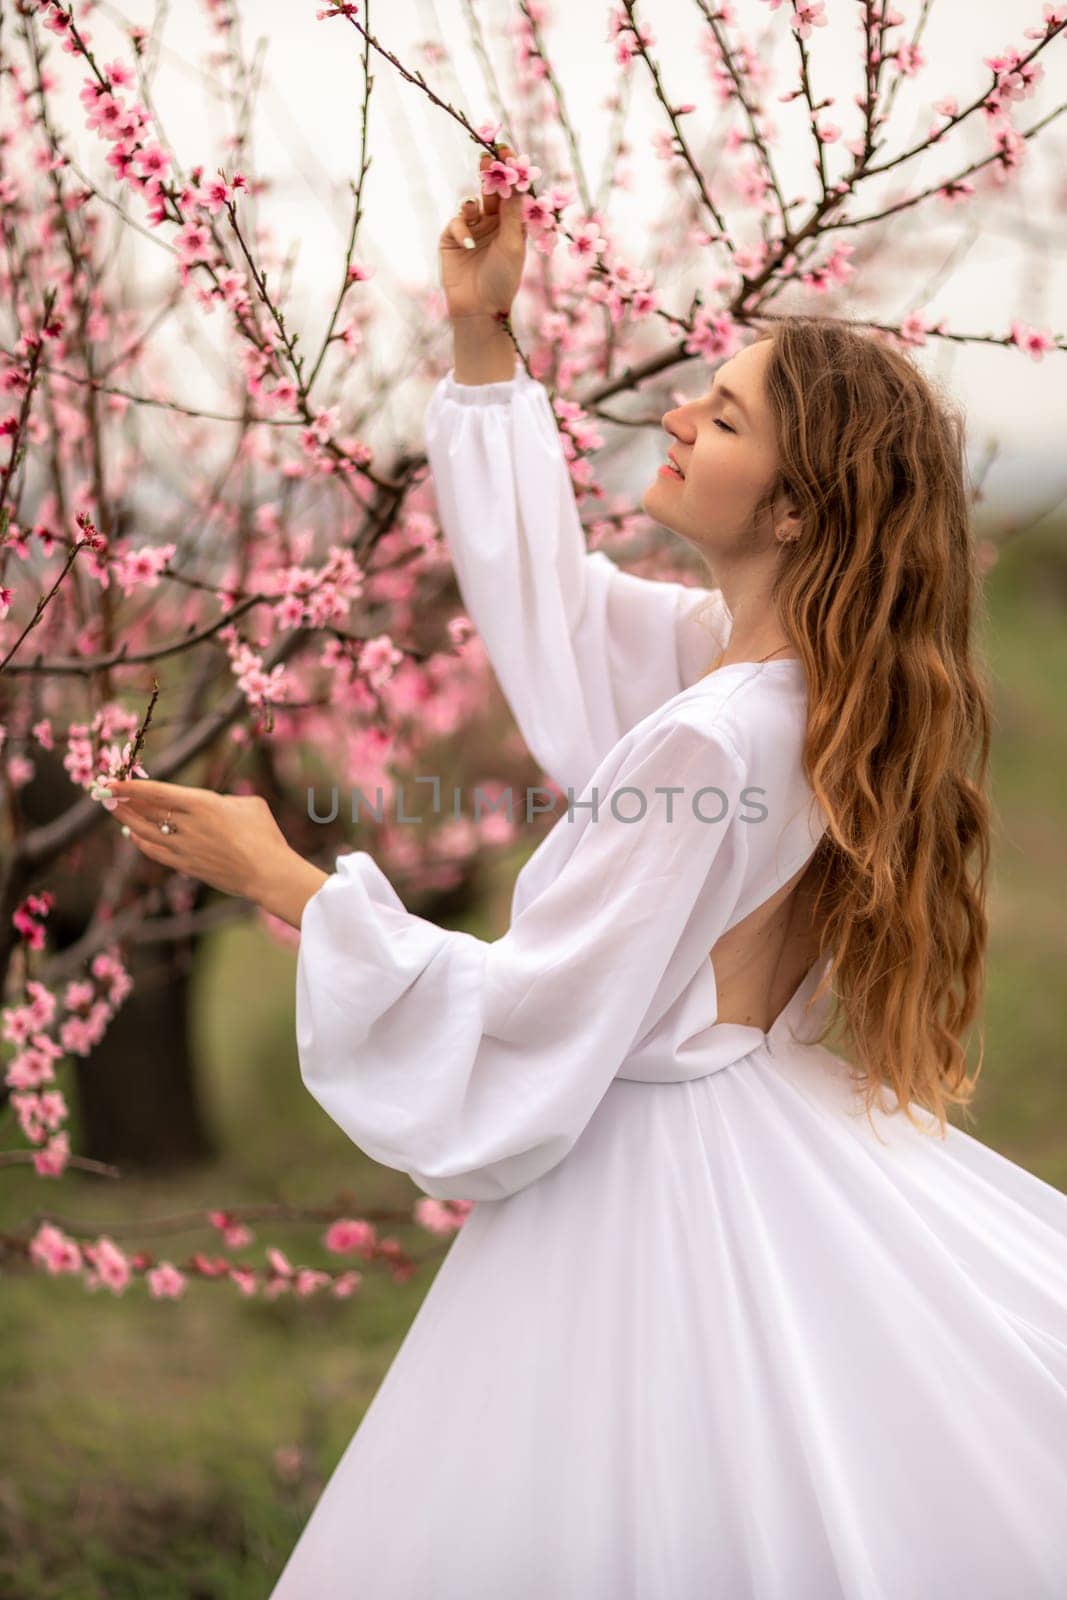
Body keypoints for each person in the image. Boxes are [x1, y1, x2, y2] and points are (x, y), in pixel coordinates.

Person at [270, 151, 1067, 1599]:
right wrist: (483, 343)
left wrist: (289, 882)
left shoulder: (710, 735)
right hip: (760, 1127)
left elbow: (535, 1019)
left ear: (797, 512)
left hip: (651, 1181)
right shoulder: (789, 684)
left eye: (731, 412)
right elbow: (559, 617)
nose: (684, 412)